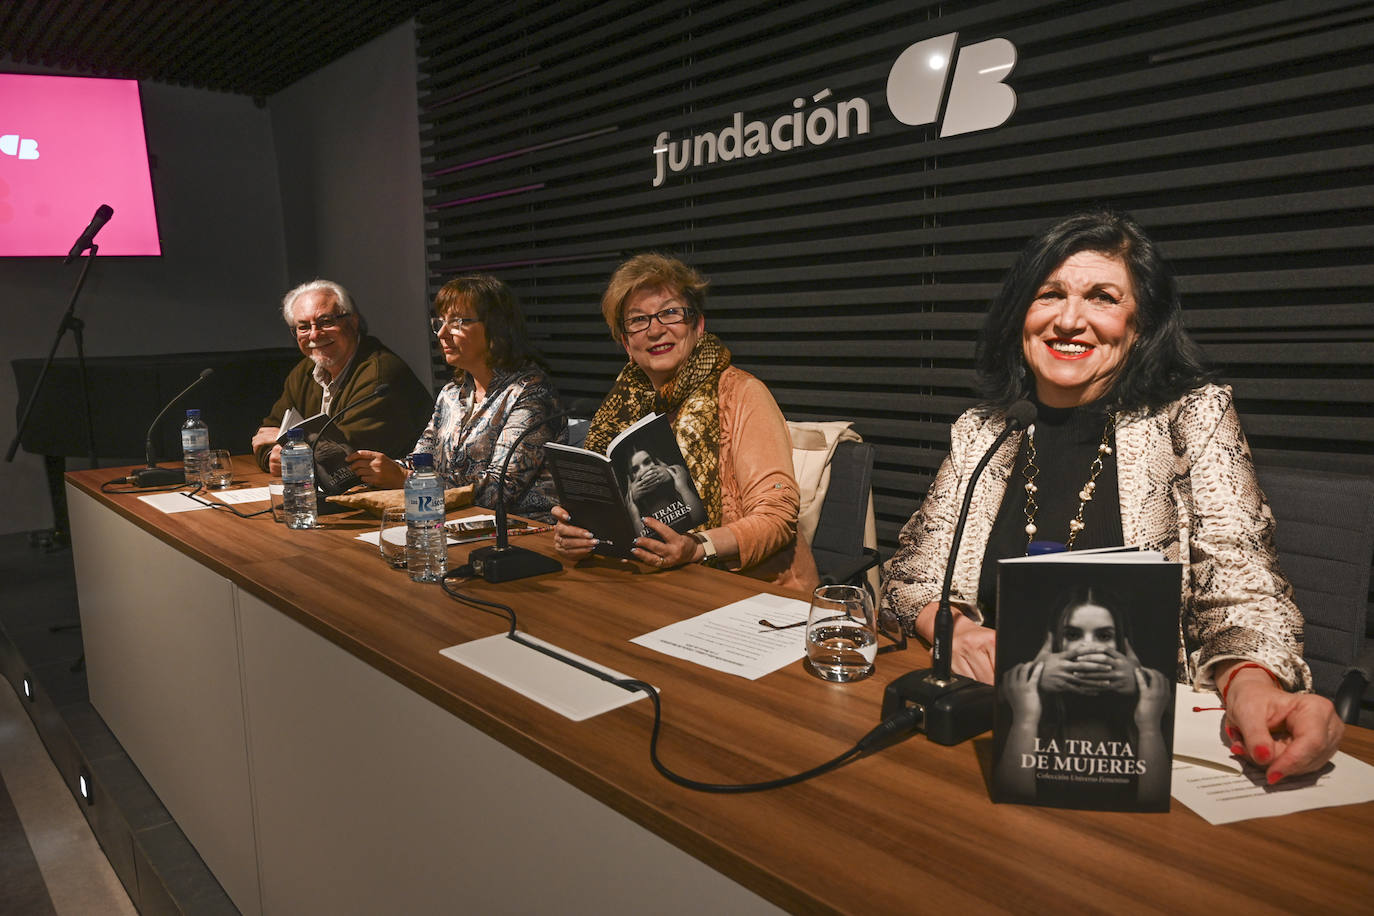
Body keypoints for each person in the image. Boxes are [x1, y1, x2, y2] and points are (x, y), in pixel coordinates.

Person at [880, 209, 1343, 784]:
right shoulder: (983, 430)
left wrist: (1252, 685)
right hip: (991, 731)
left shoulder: (1191, 418)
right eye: (1049, 294)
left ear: (1141, 324)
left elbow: (1241, 589)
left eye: (1102, 297)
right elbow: (906, 578)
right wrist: (957, 630)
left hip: (1135, 747)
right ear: (1021, 314)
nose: (1069, 320)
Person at [552, 254, 818, 591]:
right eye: (638, 320)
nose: (655, 330)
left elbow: (776, 516)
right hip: (646, 584)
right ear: (626, 343)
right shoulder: (618, 407)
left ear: (698, 324)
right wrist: (579, 536)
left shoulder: (742, 394)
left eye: (670, 313)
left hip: (751, 590)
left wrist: (697, 547)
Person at [346, 275, 565, 521]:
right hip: (454, 523)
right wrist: (373, 469)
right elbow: (421, 461)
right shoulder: (451, 393)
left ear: (497, 327)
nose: (442, 333)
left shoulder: (531, 392)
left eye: (457, 323)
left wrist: (403, 478)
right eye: (439, 322)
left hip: (521, 533)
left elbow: (500, 489)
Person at [995, 586, 1171, 806]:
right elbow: (1014, 797)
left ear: (1123, 645)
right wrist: (1033, 687)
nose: (1088, 646)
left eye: (1104, 635)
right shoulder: (1018, 692)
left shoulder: (1154, 699)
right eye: (1072, 634)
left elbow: (1152, 803)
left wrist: (1140, 686)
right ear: (1052, 642)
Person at [252, 280, 433, 474]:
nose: (314, 335)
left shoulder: (380, 373)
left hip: (407, 492)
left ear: (353, 322)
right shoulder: (305, 370)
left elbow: (341, 455)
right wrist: (273, 456)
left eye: (326, 322)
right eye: (303, 327)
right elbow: (266, 433)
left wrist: (290, 451)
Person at [620, 447, 705, 534]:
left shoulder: (677, 481)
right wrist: (634, 516)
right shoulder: (633, 505)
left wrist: (683, 487)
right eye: (635, 470)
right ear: (630, 478)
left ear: (657, 461)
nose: (644, 470)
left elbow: (699, 519)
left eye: (647, 462)